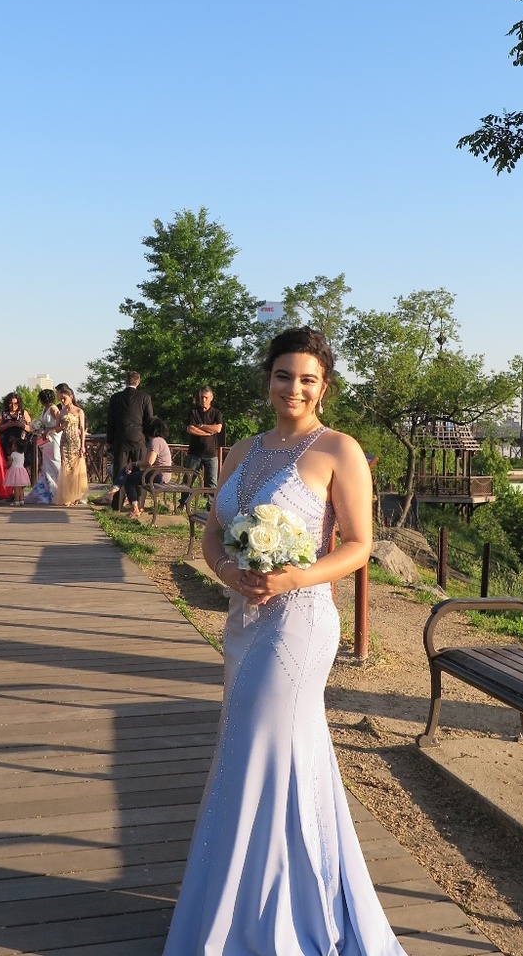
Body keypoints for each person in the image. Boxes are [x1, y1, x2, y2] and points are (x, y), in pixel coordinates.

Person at [162, 327, 405, 955]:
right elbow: (215, 531)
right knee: (253, 756)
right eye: (282, 375)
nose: (293, 388)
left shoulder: (338, 451)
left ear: (324, 386)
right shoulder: (243, 449)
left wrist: (295, 574)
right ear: (266, 379)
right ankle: (251, 900)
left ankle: (292, 915)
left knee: (268, 752)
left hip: (299, 624)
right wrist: (225, 571)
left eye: (306, 378)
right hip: (245, 620)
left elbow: (359, 546)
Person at [111, 417, 173, 519]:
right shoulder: (160, 440)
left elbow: (149, 462)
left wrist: (133, 464)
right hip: (160, 474)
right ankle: (114, 492)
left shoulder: (155, 441)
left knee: (129, 480)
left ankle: (132, 507)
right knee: (129, 471)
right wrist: (133, 466)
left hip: (159, 475)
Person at [106, 371, 153, 503]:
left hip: (120, 439)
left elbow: (111, 421)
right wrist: (149, 439)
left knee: (119, 470)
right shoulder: (145, 397)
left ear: (125, 381)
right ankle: (139, 501)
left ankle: (117, 503)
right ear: (138, 382)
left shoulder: (115, 398)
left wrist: (110, 440)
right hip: (139, 438)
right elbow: (149, 420)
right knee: (139, 472)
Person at [178, 385, 222, 510]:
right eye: (201, 397)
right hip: (194, 453)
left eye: (206, 397)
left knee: (212, 483)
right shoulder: (193, 412)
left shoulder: (216, 413)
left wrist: (201, 425)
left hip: (211, 454)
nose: (203, 400)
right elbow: (191, 429)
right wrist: (208, 431)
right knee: (188, 480)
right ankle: (183, 504)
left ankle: (211, 507)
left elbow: (218, 428)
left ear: (211, 398)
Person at [53, 383, 88, 506]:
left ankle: (76, 495)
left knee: (76, 469)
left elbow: (83, 429)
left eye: (65, 398)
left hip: (75, 441)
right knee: (66, 468)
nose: (62, 401)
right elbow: (56, 429)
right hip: (64, 442)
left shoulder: (79, 411)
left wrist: (82, 445)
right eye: (61, 398)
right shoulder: (60, 412)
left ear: (71, 397)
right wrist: (63, 426)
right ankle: (67, 496)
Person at [25, 388, 61, 504]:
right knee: (46, 464)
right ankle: (46, 490)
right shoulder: (45, 408)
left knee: (55, 462)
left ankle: (58, 490)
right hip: (46, 438)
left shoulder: (53, 409)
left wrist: (49, 431)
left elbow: (60, 425)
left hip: (54, 437)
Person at [0, 392, 32, 468]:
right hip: (6, 445)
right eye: (10, 403)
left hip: (21, 446)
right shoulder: (3, 413)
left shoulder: (23, 413)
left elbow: (31, 428)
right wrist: (7, 425)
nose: (13, 406)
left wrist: (22, 425)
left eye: (15, 403)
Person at [3, 439, 31, 505]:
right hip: (21, 471)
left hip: (15, 471)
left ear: (15, 447)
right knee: (20, 488)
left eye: (13, 445)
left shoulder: (13, 454)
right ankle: (21, 500)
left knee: (15, 487)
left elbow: (10, 462)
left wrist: (6, 465)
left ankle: (17, 501)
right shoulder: (22, 454)